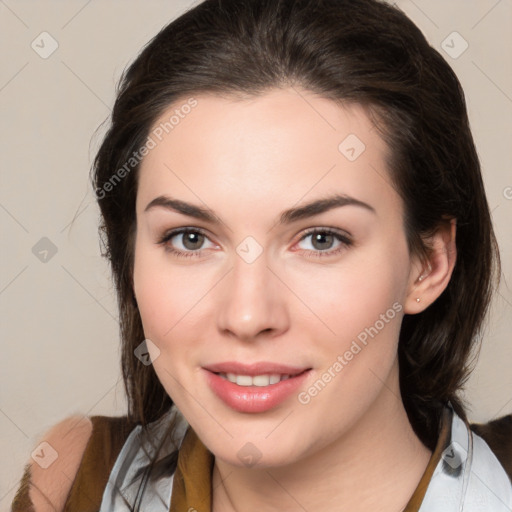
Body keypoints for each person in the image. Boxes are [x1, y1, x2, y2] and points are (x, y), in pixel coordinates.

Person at [11, 0, 512, 510]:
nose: (247, 316)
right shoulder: (72, 482)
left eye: (321, 239)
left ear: (427, 262)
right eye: (190, 238)